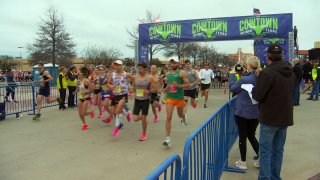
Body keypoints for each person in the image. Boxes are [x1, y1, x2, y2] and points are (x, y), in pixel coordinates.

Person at [252, 45, 294, 180]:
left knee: (265, 152)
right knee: (278, 151)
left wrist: (253, 90)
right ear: (281, 55)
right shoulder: (290, 71)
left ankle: (265, 178)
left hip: (270, 118)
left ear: (267, 56)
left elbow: (258, 95)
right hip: (285, 117)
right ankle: (275, 177)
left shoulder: (267, 72)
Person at [230, 56, 260, 170]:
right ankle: (261, 158)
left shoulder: (245, 79)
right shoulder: (260, 77)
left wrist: (232, 75)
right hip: (256, 112)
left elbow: (233, 88)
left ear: (249, 66)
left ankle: (243, 162)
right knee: (251, 135)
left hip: (243, 112)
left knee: (243, 136)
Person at [162, 59, 194, 147]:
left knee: (180, 115)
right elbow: (168, 84)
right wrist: (165, 89)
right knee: (168, 117)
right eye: (171, 63)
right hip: (170, 98)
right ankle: (168, 139)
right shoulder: (167, 74)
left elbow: (188, 84)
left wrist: (179, 86)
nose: (173, 64)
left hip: (179, 98)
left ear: (178, 64)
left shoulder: (182, 73)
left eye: (174, 62)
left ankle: (183, 117)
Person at [108, 60, 134, 137]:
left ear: (122, 66)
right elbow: (108, 83)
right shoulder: (112, 74)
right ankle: (127, 113)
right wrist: (111, 86)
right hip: (116, 94)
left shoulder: (126, 74)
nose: (117, 66)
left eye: (119, 65)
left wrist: (132, 88)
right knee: (117, 111)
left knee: (118, 109)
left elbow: (135, 79)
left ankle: (117, 127)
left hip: (123, 94)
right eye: (116, 65)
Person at [132, 62, 151, 141]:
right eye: (138, 68)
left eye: (141, 68)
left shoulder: (149, 78)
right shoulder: (136, 77)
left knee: (143, 117)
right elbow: (133, 85)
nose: (139, 70)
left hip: (145, 100)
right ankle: (144, 119)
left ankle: (144, 134)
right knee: (135, 119)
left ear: (145, 69)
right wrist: (132, 91)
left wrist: (148, 91)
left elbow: (155, 89)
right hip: (137, 99)